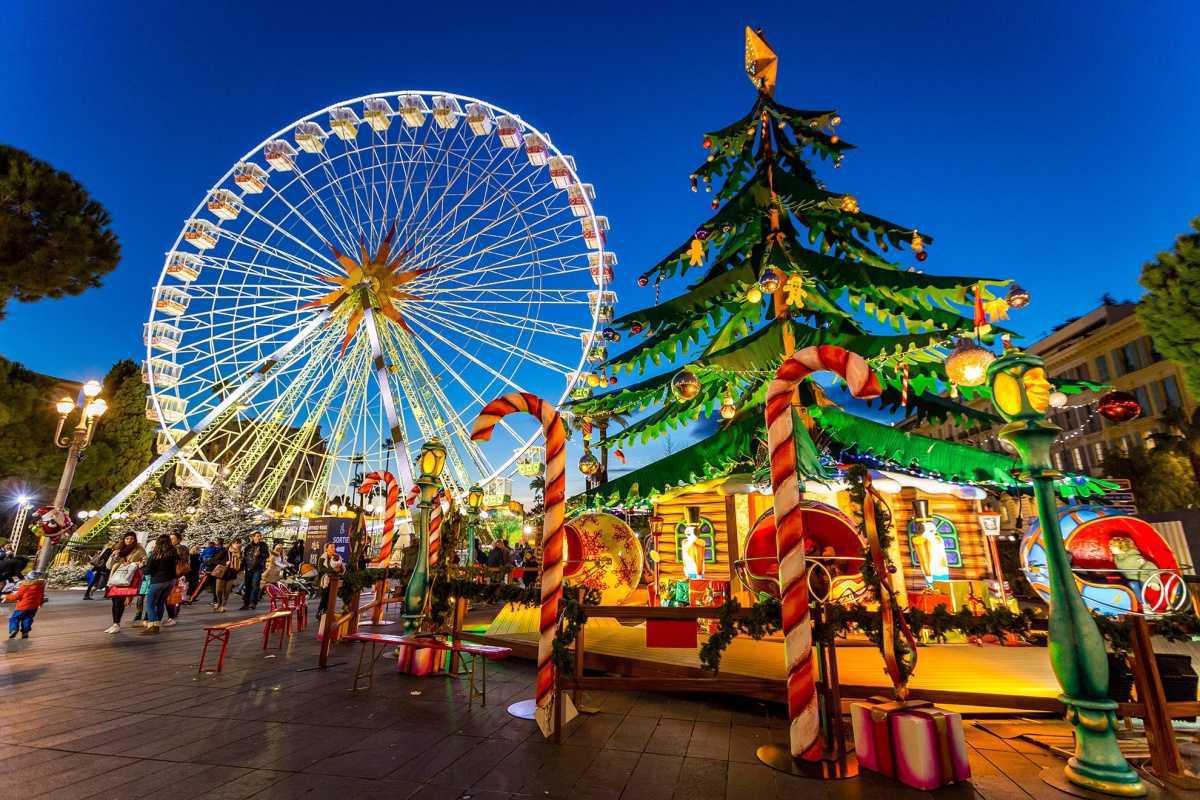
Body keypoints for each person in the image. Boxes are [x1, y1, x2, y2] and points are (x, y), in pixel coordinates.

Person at [104, 533, 147, 634]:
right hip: (116, 578)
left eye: (132, 538)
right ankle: (115, 623)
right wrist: (114, 556)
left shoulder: (139, 549)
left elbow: (145, 561)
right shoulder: (118, 549)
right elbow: (108, 566)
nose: (129, 540)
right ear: (123, 539)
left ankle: (116, 623)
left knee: (119, 600)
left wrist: (134, 563)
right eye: (127, 538)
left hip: (128, 578)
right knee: (115, 601)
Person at [141, 534, 179, 635]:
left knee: (150, 604)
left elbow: (147, 571)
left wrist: (142, 566)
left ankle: (153, 625)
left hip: (158, 581)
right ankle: (156, 623)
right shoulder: (173, 553)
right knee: (161, 602)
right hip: (170, 581)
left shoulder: (155, 555)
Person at [165, 533, 190, 625]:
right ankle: (174, 614)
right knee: (176, 594)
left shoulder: (178, 548)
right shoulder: (180, 548)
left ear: (179, 539)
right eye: (170, 538)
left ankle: (172, 616)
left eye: (173, 538)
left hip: (177, 574)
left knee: (173, 594)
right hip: (178, 574)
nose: (171, 540)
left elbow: (181, 561)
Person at [240, 531, 269, 610]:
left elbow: (267, 555)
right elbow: (244, 558)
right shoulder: (248, 546)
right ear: (253, 537)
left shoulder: (263, 545)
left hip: (258, 568)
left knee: (255, 585)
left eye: (260, 536)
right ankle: (246, 604)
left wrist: (260, 554)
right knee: (248, 585)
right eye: (257, 536)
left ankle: (253, 603)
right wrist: (241, 568)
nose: (259, 537)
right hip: (248, 568)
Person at [316, 543, 345, 617]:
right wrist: (333, 570)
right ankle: (320, 612)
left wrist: (339, 569)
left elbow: (342, 568)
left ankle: (327, 612)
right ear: (326, 549)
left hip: (334, 580)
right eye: (331, 547)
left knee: (330, 597)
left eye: (334, 547)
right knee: (324, 597)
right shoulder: (322, 558)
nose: (333, 548)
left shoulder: (337, 557)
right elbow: (321, 569)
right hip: (324, 581)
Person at [213, 541, 243, 613]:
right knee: (219, 590)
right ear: (232, 544)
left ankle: (223, 605)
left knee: (227, 591)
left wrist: (240, 566)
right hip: (222, 573)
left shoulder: (239, 553)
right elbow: (214, 560)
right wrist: (224, 563)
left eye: (239, 543)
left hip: (231, 574)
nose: (238, 544)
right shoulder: (225, 551)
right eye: (236, 543)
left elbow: (241, 564)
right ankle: (219, 602)